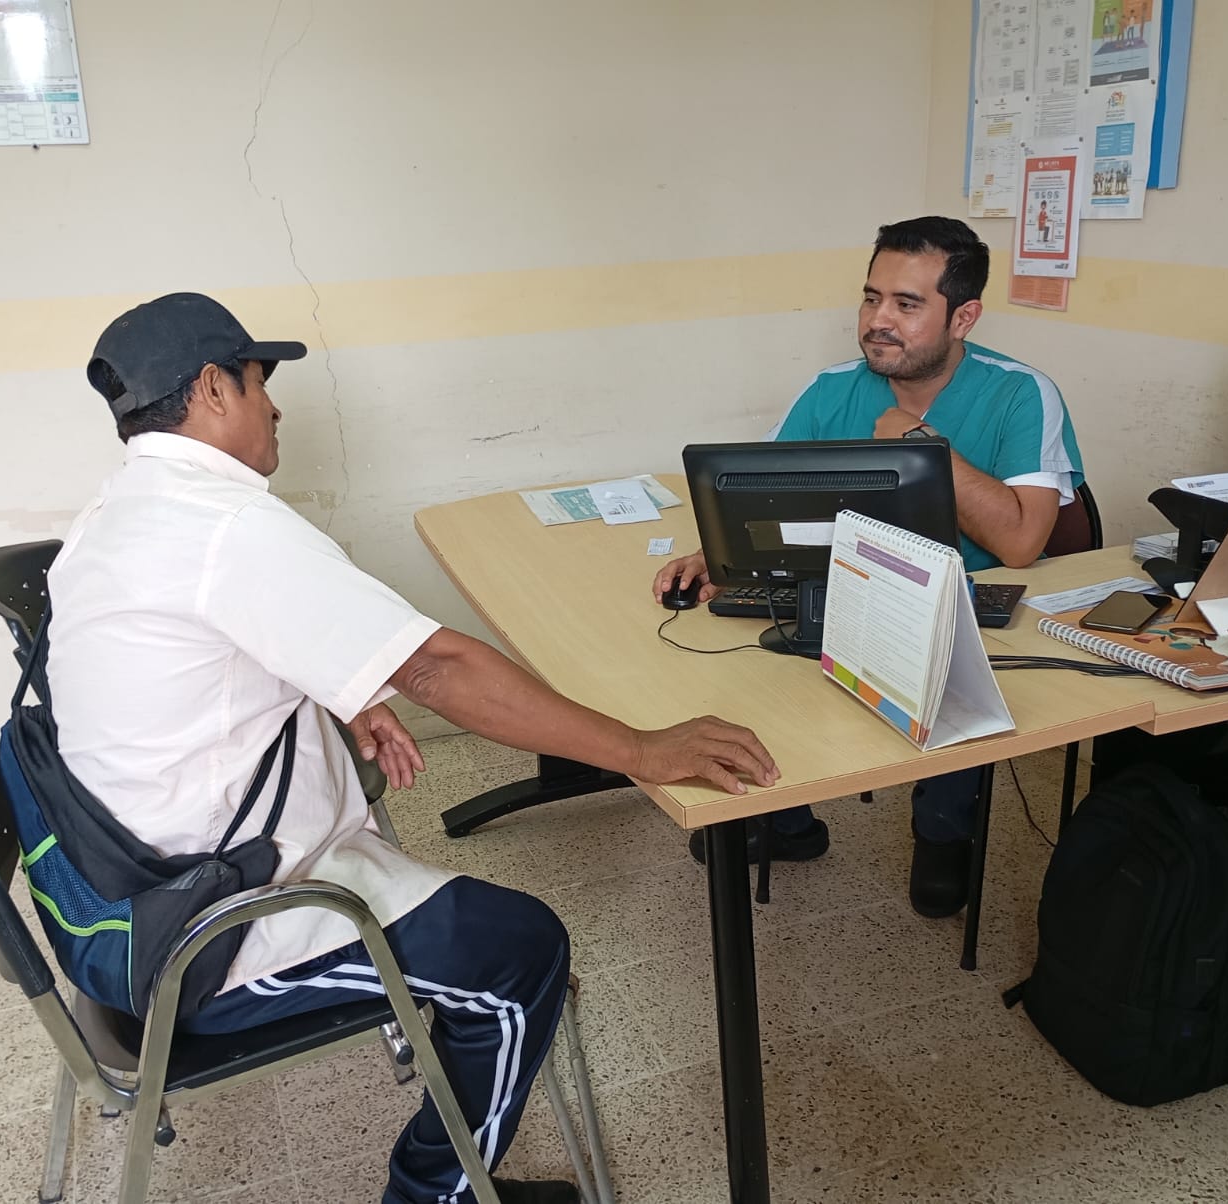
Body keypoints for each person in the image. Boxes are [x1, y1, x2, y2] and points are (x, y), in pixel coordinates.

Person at [50, 293, 779, 1204]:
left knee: (470, 920)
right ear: (212, 389)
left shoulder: (112, 513)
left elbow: (202, 656)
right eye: (259, 382)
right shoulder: (227, 528)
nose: (275, 407)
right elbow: (438, 670)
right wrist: (641, 749)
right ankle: (435, 1194)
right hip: (210, 929)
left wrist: (348, 688)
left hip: (118, 887)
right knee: (521, 954)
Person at [652, 216, 1083, 919]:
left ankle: (942, 828)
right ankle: (788, 818)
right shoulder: (831, 389)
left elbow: (1021, 543)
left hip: (963, 608)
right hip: (834, 592)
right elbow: (754, 491)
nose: (878, 320)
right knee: (747, 649)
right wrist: (716, 554)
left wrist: (919, 443)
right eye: (871, 297)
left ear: (963, 317)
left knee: (946, 672)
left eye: (907, 304)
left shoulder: (1020, 393)